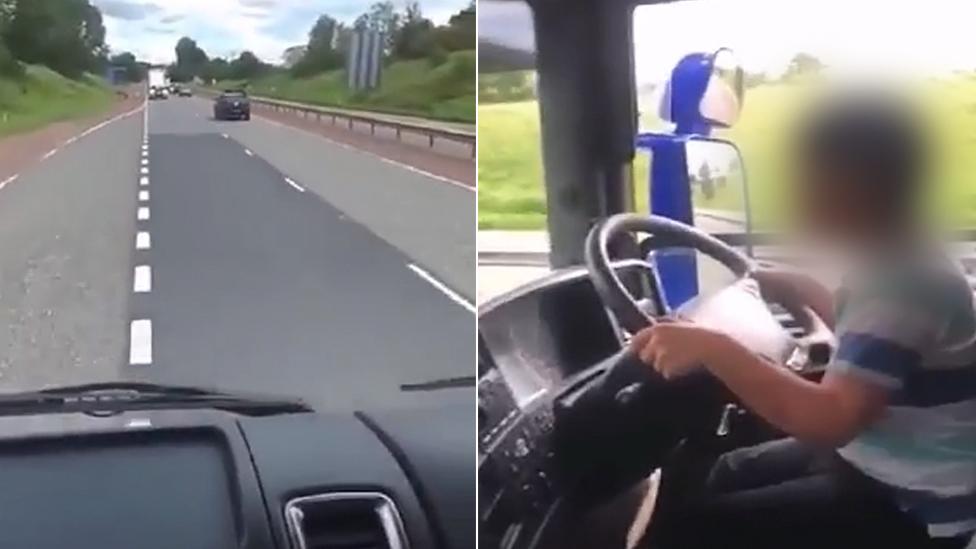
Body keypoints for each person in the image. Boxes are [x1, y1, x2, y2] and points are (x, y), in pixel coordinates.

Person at [634, 92, 976, 549]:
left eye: (806, 180)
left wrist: (715, 349)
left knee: (697, 527)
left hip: (918, 503)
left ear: (852, 187)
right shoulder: (902, 266)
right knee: (719, 474)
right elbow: (875, 345)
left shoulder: (903, 283)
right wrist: (806, 291)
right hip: (885, 464)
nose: (796, 196)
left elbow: (830, 420)